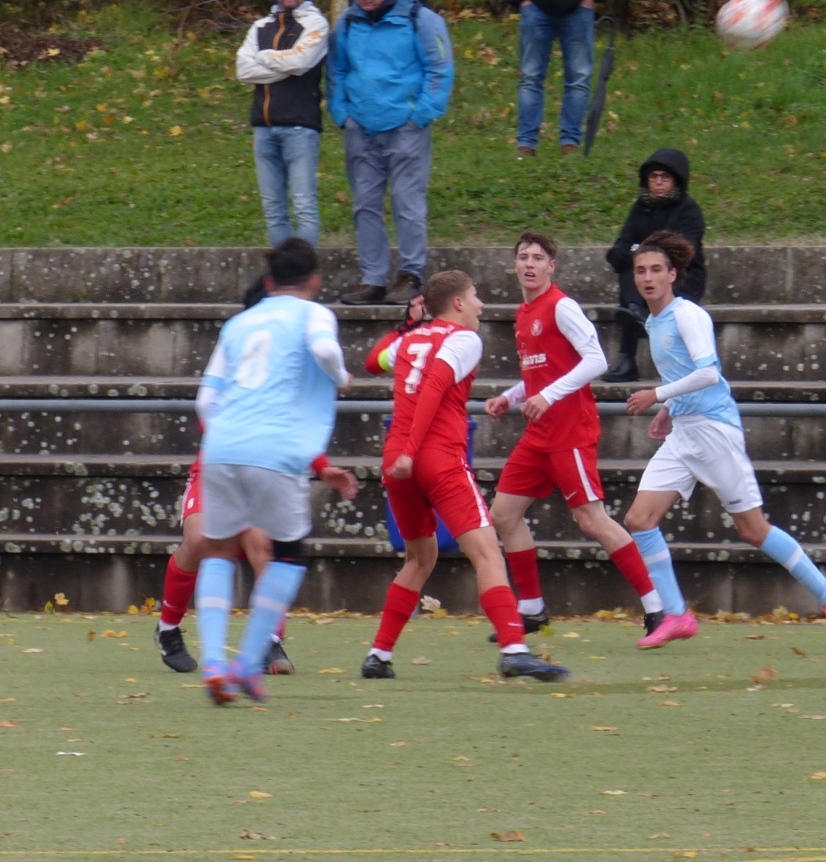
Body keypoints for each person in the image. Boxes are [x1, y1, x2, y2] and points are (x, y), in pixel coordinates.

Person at [620, 232, 826, 650]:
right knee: (639, 520)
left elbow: (709, 373)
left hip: (714, 431)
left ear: (673, 275)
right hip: (684, 433)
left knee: (752, 528)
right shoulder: (654, 321)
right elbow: (684, 376)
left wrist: (657, 395)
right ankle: (676, 614)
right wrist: (669, 408)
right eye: (641, 271)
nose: (648, 277)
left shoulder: (687, 315)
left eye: (656, 270)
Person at [361, 269, 568, 682]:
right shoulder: (464, 338)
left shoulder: (410, 339)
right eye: (474, 296)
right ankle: (513, 649)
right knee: (487, 553)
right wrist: (413, 451)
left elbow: (372, 362)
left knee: (420, 558)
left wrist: (404, 325)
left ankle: (378, 655)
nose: (480, 304)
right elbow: (435, 386)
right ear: (457, 303)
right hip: (434, 456)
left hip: (396, 461)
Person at [191, 238, 356, 704]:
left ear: (268, 282)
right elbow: (324, 351)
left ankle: (213, 663)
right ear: (314, 282)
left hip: (220, 446)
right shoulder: (314, 314)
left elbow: (204, 400)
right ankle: (247, 664)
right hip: (275, 448)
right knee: (287, 555)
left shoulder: (238, 324)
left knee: (218, 551)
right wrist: (341, 377)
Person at [482, 231, 661, 634]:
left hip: (569, 433)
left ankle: (656, 606)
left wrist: (548, 396)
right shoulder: (523, 313)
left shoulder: (561, 307)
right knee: (503, 514)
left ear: (552, 267)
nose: (529, 264)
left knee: (592, 521)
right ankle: (532, 609)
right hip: (539, 435)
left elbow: (596, 360)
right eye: (523, 257)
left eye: (538, 258)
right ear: (515, 265)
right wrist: (509, 397)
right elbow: (540, 371)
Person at [156, 450, 351, 676]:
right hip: (216, 468)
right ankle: (168, 627)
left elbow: (296, 429)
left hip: (262, 473)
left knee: (263, 546)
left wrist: (322, 467)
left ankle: (270, 641)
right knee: (198, 539)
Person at [328, 0, 453, 308]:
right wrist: (342, 114)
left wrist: (421, 115)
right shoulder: (347, 22)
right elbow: (336, 70)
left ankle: (411, 275)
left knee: (407, 201)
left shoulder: (422, 19)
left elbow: (440, 68)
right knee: (364, 205)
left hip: (407, 128)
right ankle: (373, 279)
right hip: (360, 129)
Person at [604, 149, 706, 384]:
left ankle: (639, 315)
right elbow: (622, 243)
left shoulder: (689, 210)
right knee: (635, 270)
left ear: (676, 180)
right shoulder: (641, 207)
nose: (658, 182)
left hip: (681, 276)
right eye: (653, 177)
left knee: (647, 267)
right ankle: (629, 349)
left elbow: (685, 250)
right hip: (646, 282)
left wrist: (646, 254)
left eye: (664, 177)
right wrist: (625, 254)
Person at [235, 0, 329, 247]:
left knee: (303, 205)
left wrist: (263, 56)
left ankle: (303, 269)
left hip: (300, 126)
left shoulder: (316, 24)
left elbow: (300, 63)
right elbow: (243, 70)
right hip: (263, 127)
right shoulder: (260, 26)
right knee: (273, 209)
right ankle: (282, 269)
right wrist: (283, 67)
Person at [516, 0, 594, 158]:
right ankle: (526, 145)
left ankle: (570, 145)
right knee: (530, 78)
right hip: (535, 8)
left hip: (579, 10)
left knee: (578, 79)